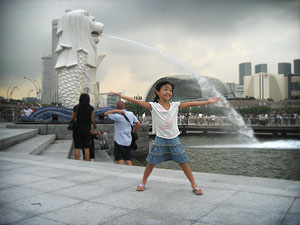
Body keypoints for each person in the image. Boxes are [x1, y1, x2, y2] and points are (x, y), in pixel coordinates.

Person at [109, 80, 219, 195]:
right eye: (165, 89)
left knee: (183, 162)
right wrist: (120, 95)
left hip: (174, 140)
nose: (168, 92)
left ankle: (194, 186)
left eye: (170, 90)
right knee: (151, 163)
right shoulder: (153, 106)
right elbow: (136, 101)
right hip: (160, 140)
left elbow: (193, 103)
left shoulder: (175, 105)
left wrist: (208, 101)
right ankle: (142, 182)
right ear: (157, 92)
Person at [104, 101, 141, 165]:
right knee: (128, 159)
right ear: (124, 106)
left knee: (119, 159)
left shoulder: (117, 116)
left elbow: (106, 113)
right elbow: (138, 123)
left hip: (119, 141)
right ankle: (131, 172)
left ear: (117, 107)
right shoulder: (130, 114)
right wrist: (134, 131)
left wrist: (116, 111)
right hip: (128, 141)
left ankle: (122, 173)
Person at [71, 93, 97, 161]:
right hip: (86, 130)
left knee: (77, 147)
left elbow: (72, 117)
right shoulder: (90, 108)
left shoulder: (76, 107)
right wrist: (94, 125)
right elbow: (92, 120)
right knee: (86, 147)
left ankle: (77, 163)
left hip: (76, 130)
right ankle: (87, 164)